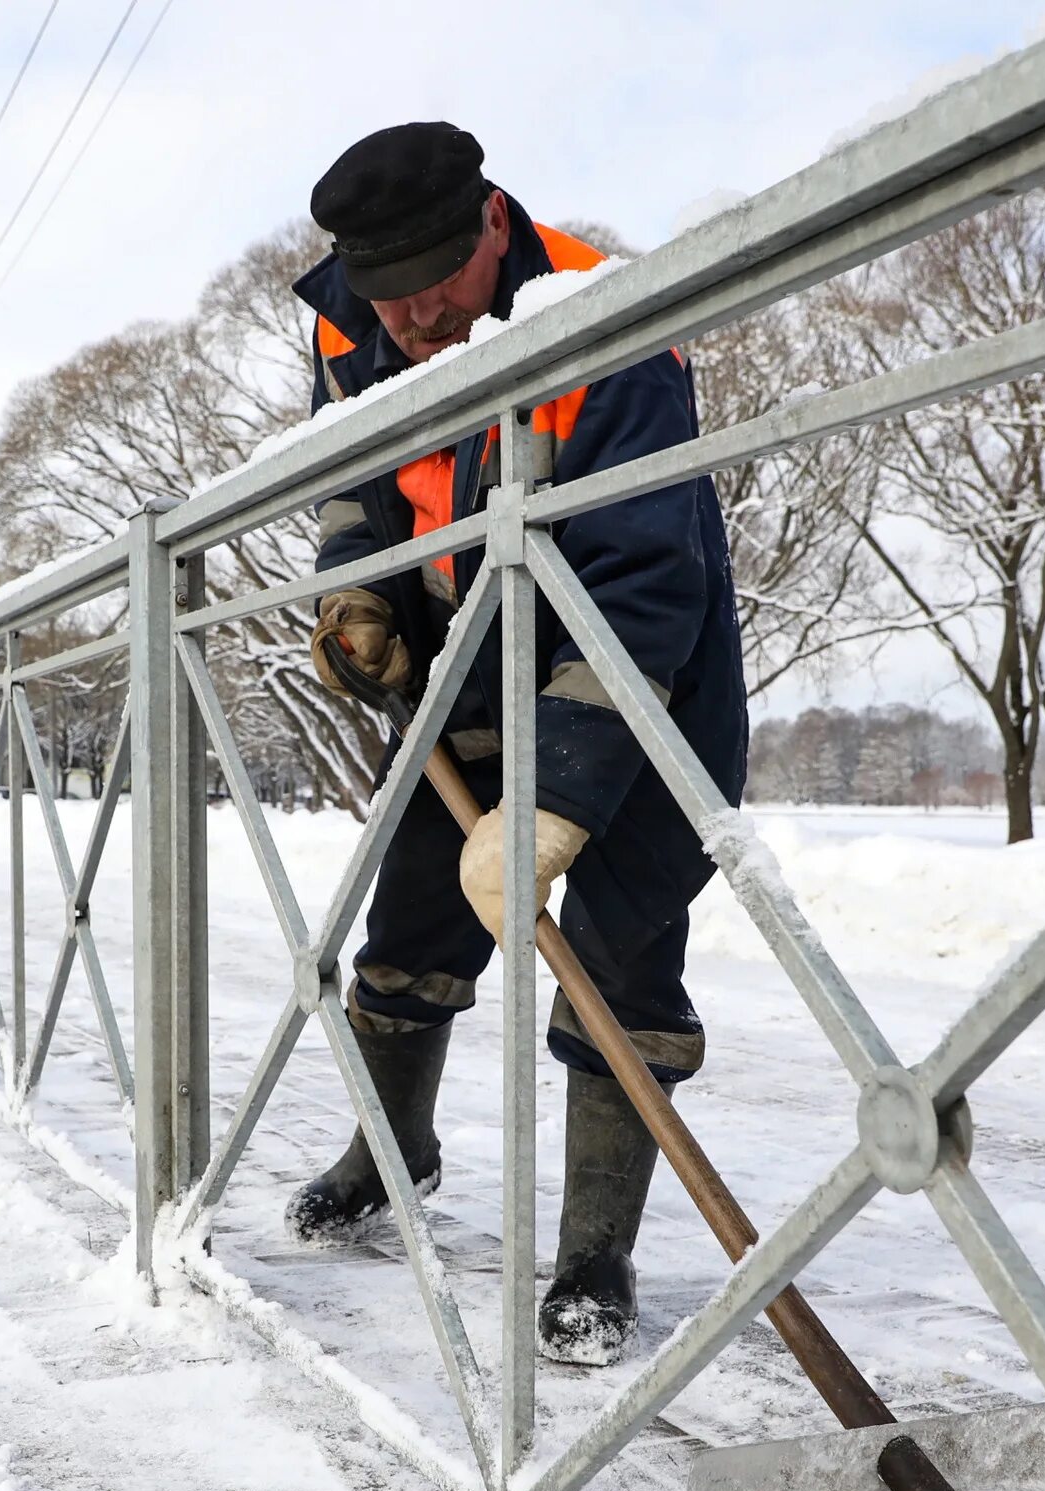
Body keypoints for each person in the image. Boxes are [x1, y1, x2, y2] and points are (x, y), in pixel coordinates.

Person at [287, 122, 749, 1367]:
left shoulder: (609, 325)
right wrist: (356, 594)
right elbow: (351, 478)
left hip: (623, 669)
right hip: (460, 668)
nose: (418, 313)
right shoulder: (347, 324)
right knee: (406, 938)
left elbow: (644, 583)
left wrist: (564, 797)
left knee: (620, 962)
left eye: (439, 272)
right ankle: (392, 1154)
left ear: (493, 219)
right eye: (390, 289)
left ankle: (596, 1249)